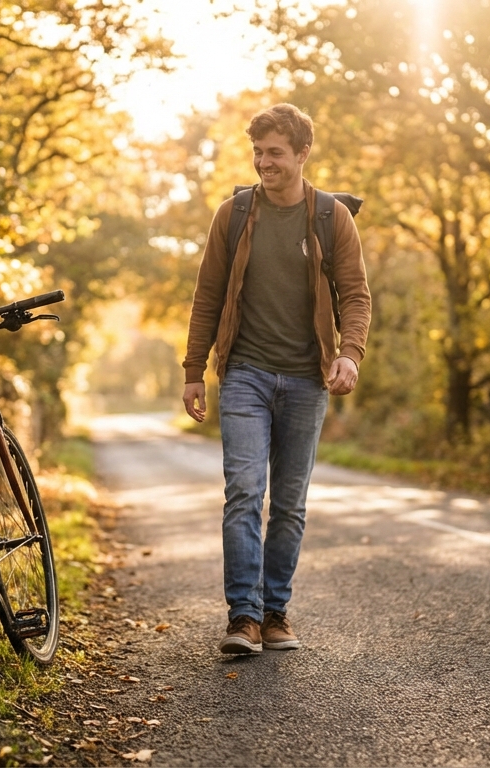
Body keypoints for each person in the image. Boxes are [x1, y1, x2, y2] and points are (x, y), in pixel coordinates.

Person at [181, 103, 372, 654]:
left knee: (289, 502)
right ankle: (243, 617)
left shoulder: (332, 218)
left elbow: (356, 296)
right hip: (244, 373)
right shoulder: (234, 215)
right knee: (244, 491)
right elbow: (208, 296)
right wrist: (194, 370)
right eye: (258, 152)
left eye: (276, 153)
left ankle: (275, 611)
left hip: (307, 381)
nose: (265, 163)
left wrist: (350, 354)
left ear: (302, 154)